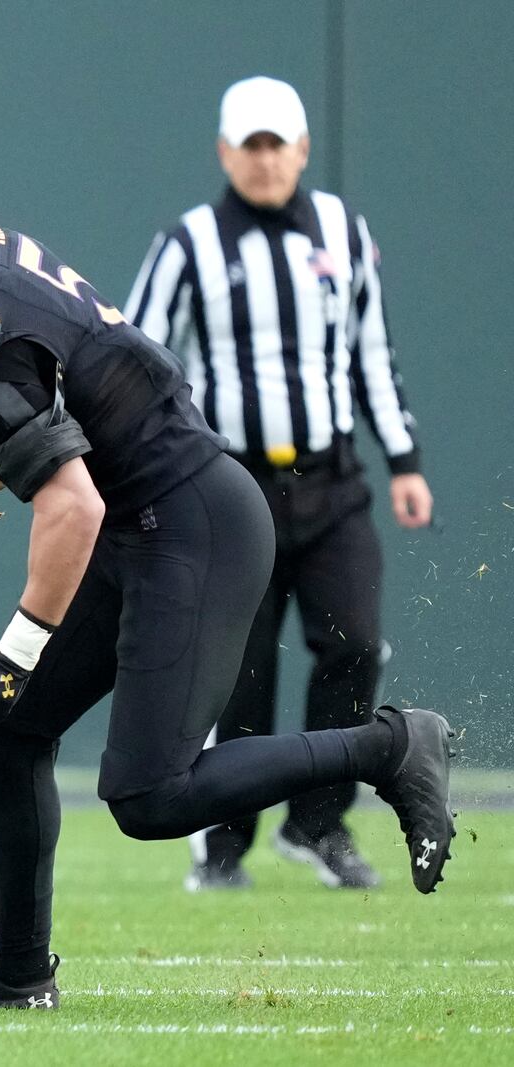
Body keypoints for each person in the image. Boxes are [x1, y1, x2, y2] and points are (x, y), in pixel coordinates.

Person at [0, 125, 455, 1011]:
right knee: (3, 735)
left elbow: (68, 500)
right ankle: (20, 976)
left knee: (150, 794)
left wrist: (14, 649)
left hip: (186, 523)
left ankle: (391, 744)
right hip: (151, 516)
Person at [124, 76, 434, 892]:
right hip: (232, 490)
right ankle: (222, 845)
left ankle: (320, 823)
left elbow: (372, 350)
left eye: (277, 144)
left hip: (333, 483)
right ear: (226, 153)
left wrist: (403, 458)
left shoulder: (342, 230)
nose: (265, 160)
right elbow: (134, 356)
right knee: (240, 672)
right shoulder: (189, 243)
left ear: (301, 148)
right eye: (250, 146)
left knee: (357, 643)